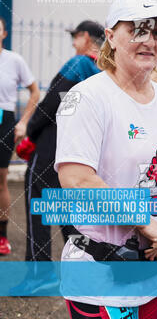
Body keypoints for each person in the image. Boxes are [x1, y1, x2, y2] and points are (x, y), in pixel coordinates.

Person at [55, 0, 157, 318]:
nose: (149, 41)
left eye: (156, 33)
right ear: (111, 37)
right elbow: (76, 181)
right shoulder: (87, 97)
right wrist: (145, 222)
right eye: (138, 31)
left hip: (153, 277)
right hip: (102, 276)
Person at [9, 20, 104, 294]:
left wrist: (29, 133)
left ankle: (40, 273)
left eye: (75, 36)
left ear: (85, 37)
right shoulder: (102, 69)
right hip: (78, 148)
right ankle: (84, 269)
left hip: (51, 144)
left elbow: (50, 104)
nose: (73, 41)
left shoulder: (78, 64)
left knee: (37, 203)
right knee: (64, 208)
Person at [0, 16, 40, 255]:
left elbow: (34, 91)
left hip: (3, 119)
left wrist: (23, 122)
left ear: (4, 33)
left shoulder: (14, 60)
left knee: (1, 178)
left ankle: (2, 236)